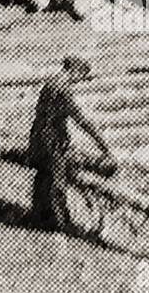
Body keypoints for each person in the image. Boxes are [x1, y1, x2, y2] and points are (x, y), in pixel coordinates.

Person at [27, 55, 116, 233]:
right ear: (74, 71)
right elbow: (81, 120)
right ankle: (61, 225)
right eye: (80, 76)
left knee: (43, 177)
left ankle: (39, 216)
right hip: (53, 140)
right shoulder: (63, 89)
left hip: (38, 137)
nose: (79, 81)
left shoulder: (50, 83)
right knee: (57, 182)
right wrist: (103, 145)